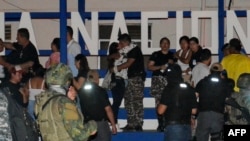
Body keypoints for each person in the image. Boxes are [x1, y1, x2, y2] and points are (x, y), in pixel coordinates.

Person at [34, 63, 97, 141]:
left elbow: (56, 122)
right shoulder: (64, 103)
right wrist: (92, 125)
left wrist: (70, 100)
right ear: (66, 81)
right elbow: (80, 135)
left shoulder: (41, 100)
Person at [112, 33, 146, 131]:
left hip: (136, 78)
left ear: (126, 42)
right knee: (128, 101)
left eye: (121, 43)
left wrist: (116, 69)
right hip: (128, 78)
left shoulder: (134, 49)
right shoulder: (126, 51)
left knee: (137, 101)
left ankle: (138, 124)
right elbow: (115, 57)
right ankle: (131, 124)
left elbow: (129, 63)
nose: (120, 45)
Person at [158, 64, 198, 141]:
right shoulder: (189, 88)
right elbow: (194, 111)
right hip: (187, 126)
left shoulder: (168, 89)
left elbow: (160, 111)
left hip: (173, 126)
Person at [195, 63, 231, 141]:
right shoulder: (225, 84)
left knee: (201, 138)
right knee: (217, 138)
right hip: (218, 115)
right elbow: (228, 102)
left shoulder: (202, 82)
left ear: (210, 71)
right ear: (221, 71)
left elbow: (195, 97)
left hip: (203, 114)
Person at [78, 70, 117, 141]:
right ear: (96, 79)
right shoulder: (100, 91)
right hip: (101, 125)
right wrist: (113, 124)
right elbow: (108, 109)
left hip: (88, 124)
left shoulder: (81, 91)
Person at [147, 37, 175, 132]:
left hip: (169, 80)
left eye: (167, 43)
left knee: (169, 102)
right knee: (158, 102)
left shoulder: (172, 55)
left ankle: (168, 123)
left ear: (169, 45)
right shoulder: (156, 54)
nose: (165, 45)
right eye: (163, 43)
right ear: (160, 45)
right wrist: (160, 67)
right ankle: (160, 124)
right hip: (158, 80)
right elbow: (149, 66)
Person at [107, 42, 127, 128]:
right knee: (116, 103)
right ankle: (111, 120)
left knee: (116, 102)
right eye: (118, 46)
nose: (120, 47)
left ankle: (113, 121)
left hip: (116, 81)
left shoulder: (112, 58)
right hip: (118, 81)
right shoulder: (117, 55)